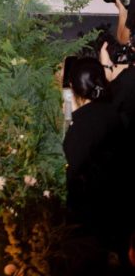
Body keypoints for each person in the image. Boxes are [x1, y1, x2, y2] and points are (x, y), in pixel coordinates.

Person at [63, 57, 129, 265]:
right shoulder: (115, 112)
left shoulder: (81, 127)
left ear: (74, 89)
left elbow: (71, 172)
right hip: (121, 210)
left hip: (96, 223)